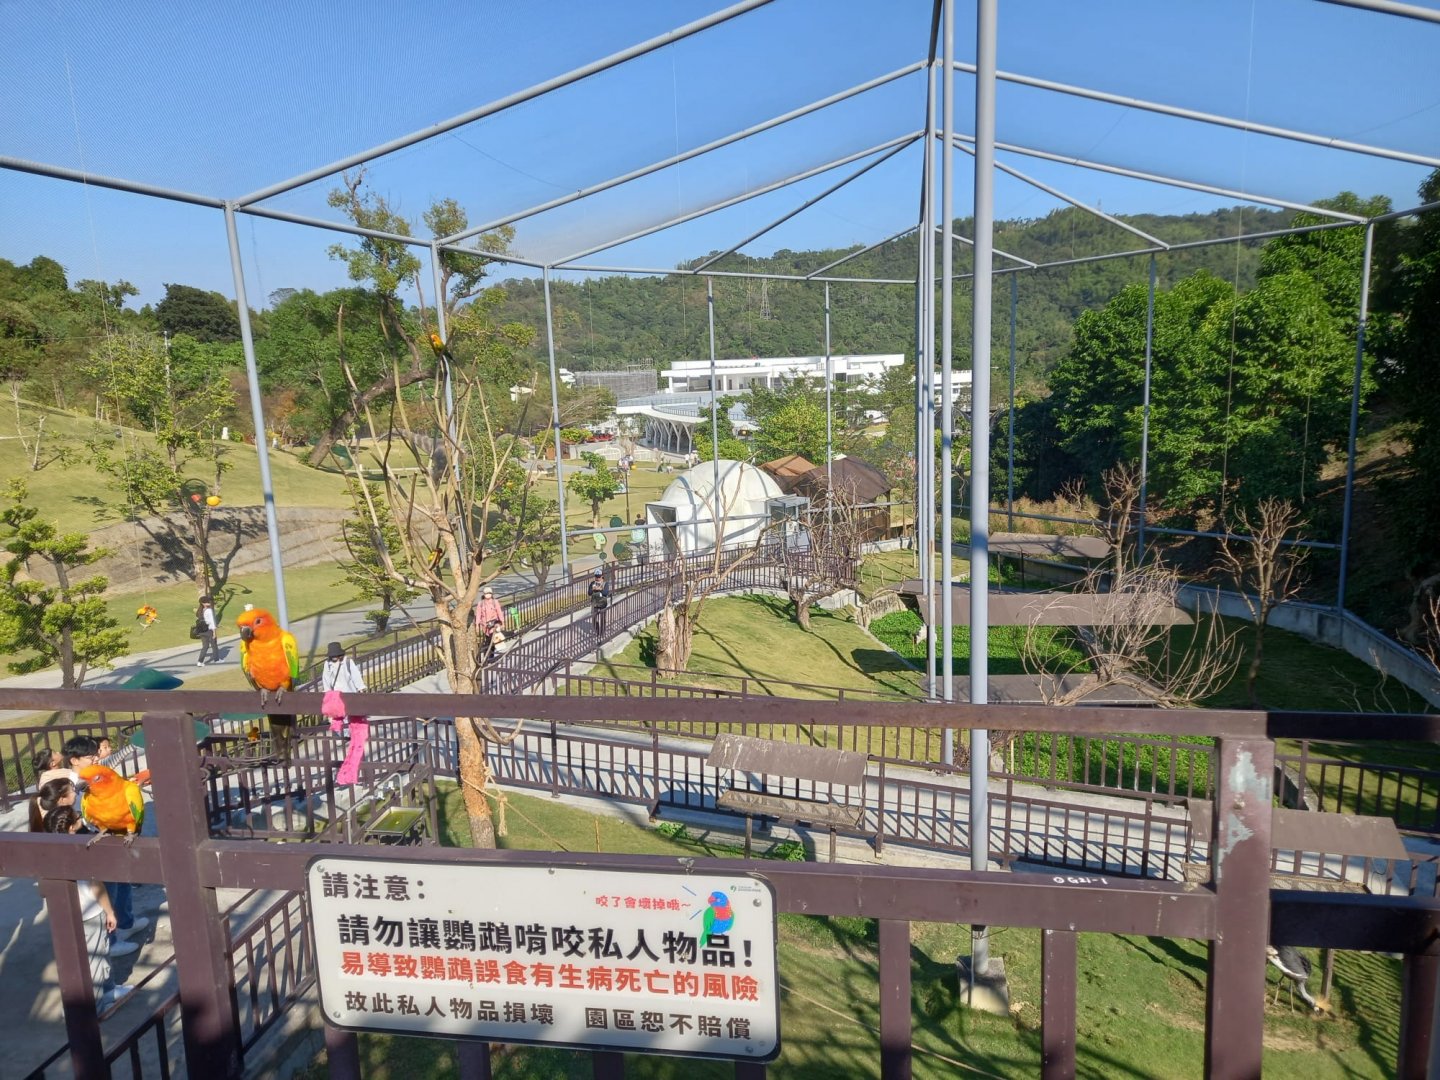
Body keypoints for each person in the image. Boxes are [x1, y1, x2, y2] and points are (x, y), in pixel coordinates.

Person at [44, 806, 135, 1018]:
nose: (81, 820)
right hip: (91, 913)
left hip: (66, 913)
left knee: (79, 958)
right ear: (70, 829)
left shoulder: (47, 850)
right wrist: (110, 912)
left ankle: (100, 994)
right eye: (77, 819)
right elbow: (97, 886)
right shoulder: (81, 850)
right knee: (97, 960)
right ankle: (99, 1007)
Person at [64, 736, 148, 955]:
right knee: (106, 890)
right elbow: (78, 818)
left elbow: (133, 814)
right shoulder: (72, 786)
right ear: (74, 760)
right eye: (90, 757)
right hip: (92, 841)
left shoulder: (120, 786)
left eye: (95, 756)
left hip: (121, 831)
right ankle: (111, 942)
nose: (95, 760)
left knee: (123, 881)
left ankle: (126, 923)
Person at [195, 595, 220, 665]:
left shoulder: (199, 611)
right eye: (207, 602)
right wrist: (214, 632)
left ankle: (200, 661)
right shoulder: (209, 610)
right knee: (214, 645)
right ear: (203, 603)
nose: (209, 602)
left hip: (202, 631)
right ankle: (216, 659)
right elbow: (212, 622)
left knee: (205, 646)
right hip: (209, 630)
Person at [587, 566, 611, 637]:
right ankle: (597, 631)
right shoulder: (592, 583)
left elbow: (605, 593)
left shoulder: (605, 584)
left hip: (602, 603)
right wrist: (593, 589)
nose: (597, 578)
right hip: (594, 603)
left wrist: (599, 589)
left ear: (602, 576)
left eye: (599, 576)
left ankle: (602, 632)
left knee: (602, 618)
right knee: (594, 618)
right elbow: (589, 593)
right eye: (596, 576)